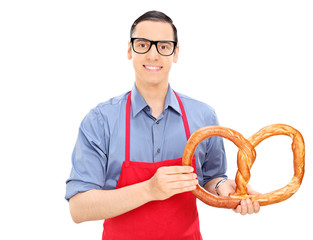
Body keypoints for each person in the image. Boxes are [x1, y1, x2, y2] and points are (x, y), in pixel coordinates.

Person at [65, 10, 260, 240]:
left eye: (164, 46)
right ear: (130, 50)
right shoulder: (101, 120)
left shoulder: (203, 116)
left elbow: (211, 178)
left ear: (175, 53)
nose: (153, 55)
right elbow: (78, 208)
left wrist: (226, 191)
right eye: (143, 44)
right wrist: (150, 189)